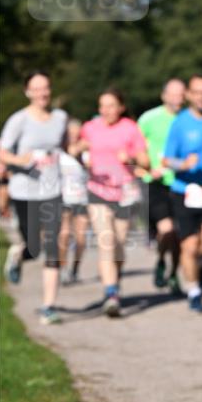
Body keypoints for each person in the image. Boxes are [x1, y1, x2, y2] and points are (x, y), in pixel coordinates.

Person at [70, 89, 150, 317]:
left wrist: (131, 158)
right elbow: (75, 149)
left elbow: (145, 161)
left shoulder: (130, 128)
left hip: (125, 192)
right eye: (102, 106)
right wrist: (78, 150)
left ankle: (115, 279)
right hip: (97, 190)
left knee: (119, 246)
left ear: (121, 107)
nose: (106, 110)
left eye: (111, 105)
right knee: (106, 241)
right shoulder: (91, 127)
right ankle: (111, 293)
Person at [0, 71, 67, 324]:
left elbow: (64, 148)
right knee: (34, 249)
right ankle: (18, 253)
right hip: (24, 190)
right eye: (37, 89)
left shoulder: (60, 118)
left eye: (46, 87)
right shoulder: (19, 120)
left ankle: (49, 306)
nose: (43, 93)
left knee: (52, 248)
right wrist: (19, 160)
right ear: (27, 92)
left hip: (53, 189)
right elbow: (2, 153)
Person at [162, 74, 202, 313]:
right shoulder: (180, 123)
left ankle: (200, 266)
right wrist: (183, 165)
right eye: (197, 92)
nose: (201, 96)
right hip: (185, 191)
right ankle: (194, 291)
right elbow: (167, 159)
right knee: (189, 246)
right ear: (189, 95)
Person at [138, 79, 186, 293]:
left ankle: (174, 273)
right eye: (173, 94)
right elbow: (136, 147)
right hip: (155, 182)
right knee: (166, 229)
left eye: (180, 95)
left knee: (179, 234)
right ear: (164, 95)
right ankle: (160, 260)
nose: (177, 99)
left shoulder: (188, 119)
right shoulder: (149, 118)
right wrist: (146, 167)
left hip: (182, 182)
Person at [58, 118, 90, 285]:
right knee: (64, 234)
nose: (74, 137)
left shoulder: (86, 152)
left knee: (81, 238)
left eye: (77, 134)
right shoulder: (59, 153)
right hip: (63, 198)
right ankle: (63, 268)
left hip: (82, 199)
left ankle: (75, 268)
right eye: (71, 133)